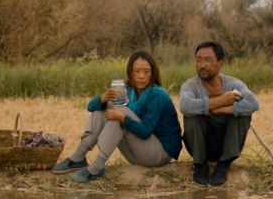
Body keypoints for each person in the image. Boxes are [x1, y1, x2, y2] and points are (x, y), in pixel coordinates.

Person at [52, 50, 182, 183]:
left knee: (120, 113)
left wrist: (123, 118)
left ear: (153, 73)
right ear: (130, 72)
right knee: (101, 110)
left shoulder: (157, 94)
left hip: (159, 153)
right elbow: (91, 108)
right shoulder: (128, 91)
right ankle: (78, 158)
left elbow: (145, 131)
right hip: (137, 155)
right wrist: (102, 99)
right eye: (137, 71)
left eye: (146, 71)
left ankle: (97, 167)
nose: (141, 76)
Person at [179, 40, 259, 186]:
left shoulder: (234, 84)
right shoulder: (190, 85)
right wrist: (222, 100)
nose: (202, 65)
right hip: (199, 146)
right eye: (199, 60)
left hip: (226, 144)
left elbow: (253, 103)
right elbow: (185, 106)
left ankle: (224, 163)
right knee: (192, 114)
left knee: (242, 113)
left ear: (220, 62)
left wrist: (219, 109)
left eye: (208, 60)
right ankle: (200, 164)